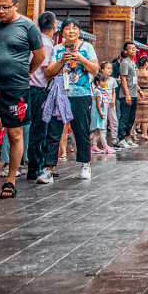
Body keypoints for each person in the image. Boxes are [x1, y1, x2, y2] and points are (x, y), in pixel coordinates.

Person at [0, 0, 44, 200]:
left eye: (6, 7)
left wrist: (27, 72)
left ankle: (11, 179)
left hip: (16, 90)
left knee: (15, 135)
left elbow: (39, 56)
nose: (1, 11)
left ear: (16, 6)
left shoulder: (28, 26)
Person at [39, 18, 98, 183]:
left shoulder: (87, 47)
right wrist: (61, 61)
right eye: (67, 29)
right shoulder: (57, 49)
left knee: (81, 130)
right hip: (60, 94)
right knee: (54, 131)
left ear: (79, 31)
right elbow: (48, 72)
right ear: (61, 31)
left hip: (82, 94)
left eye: (75, 28)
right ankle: (48, 168)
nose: (71, 31)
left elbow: (95, 69)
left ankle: (85, 163)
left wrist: (81, 59)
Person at [26, 12, 56, 181]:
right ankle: (35, 166)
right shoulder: (48, 45)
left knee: (30, 128)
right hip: (38, 90)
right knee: (39, 129)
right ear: (54, 27)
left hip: (29, 88)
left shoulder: (35, 40)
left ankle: (33, 164)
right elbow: (47, 71)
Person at [116, 41, 139, 148]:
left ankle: (127, 138)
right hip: (126, 95)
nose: (133, 50)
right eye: (131, 48)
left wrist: (139, 90)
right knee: (124, 117)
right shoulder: (125, 63)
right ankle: (120, 139)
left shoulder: (133, 63)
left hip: (134, 93)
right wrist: (127, 94)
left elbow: (133, 80)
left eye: (134, 48)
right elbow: (123, 79)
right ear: (126, 51)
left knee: (131, 118)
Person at [90, 70, 114, 154]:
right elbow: (98, 104)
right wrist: (101, 113)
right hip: (99, 113)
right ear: (97, 82)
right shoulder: (98, 91)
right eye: (103, 81)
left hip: (97, 113)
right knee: (102, 130)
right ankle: (105, 146)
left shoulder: (97, 91)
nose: (104, 83)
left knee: (97, 131)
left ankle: (94, 146)